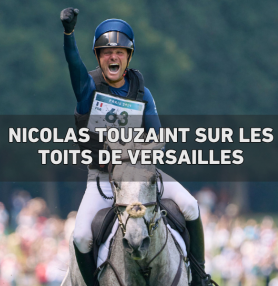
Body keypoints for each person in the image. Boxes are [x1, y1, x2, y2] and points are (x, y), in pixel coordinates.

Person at [60, 8, 212, 286]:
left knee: (190, 205)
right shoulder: (88, 89)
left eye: (119, 51)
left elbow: (157, 137)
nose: (113, 56)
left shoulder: (143, 92)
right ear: (98, 57)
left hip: (141, 176)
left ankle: (200, 277)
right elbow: (73, 65)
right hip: (102, 181)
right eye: (106, 52)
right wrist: (69, 35)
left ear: (128, 57)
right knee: (81, 236)